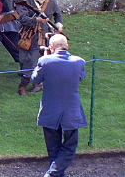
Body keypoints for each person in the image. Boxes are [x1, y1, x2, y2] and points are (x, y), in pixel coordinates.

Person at [31, 34, 87, 177]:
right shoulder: (79, 61)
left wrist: (44, 57)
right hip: (71, 112)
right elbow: (80, 77)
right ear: (67, 46)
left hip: (50, 111)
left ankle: (52, 174)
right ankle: (55, 174)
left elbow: (35, 79)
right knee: (69, 147)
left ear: (51, 47)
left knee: (53, 148)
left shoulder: (45, 61)